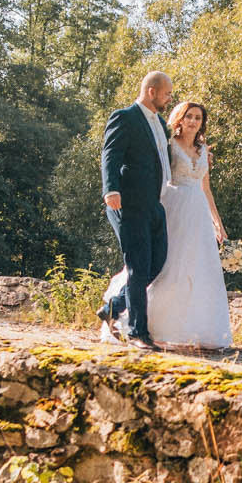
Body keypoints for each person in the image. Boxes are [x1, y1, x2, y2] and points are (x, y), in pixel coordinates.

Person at [146, 99, 233, 350]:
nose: (193, 121)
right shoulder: (169, 145)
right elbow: (159, 179)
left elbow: (206, 188)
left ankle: (193, 329)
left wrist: (218, 223)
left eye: (198, 118)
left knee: (198, 268)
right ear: (179, 119)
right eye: (189, 116)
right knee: (170, 264)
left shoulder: (204, 149)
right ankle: (154, 325)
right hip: (174, 207)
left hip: (199, 213)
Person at [99, 72, 173, 349]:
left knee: (158, 263)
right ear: (152, 91)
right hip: (128, 203)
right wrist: (111, 189)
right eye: (167, 93)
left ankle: (112, 307)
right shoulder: (125, 117)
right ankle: (137, 333)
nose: (169, 98)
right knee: (138, 266)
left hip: (155, 204)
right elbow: (110, 154)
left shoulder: (161, 124)